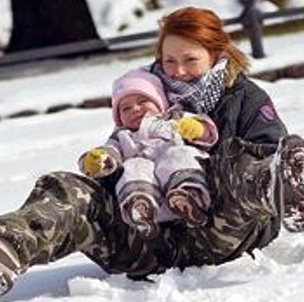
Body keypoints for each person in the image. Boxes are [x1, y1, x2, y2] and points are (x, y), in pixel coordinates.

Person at [0, 6, 304, 296]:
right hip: (146, 239)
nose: (177, 71)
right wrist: (105, 169)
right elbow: (126, 157)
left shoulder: (245, 98)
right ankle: (3, 249)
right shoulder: (141, 96)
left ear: (217, 55)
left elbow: (265, 149)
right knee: (72, 189)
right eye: (169, 60)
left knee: (227, 162)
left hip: (219, 232)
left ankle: (283, 187)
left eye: (190, 60)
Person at [79, 68, 219, 237]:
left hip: (189, 191)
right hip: (157, 206)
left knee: (177, 154)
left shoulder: (175, 118)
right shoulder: (122, 135)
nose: (135, 109)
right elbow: (110, 152)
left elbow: (209, 135)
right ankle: (139, 205)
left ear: (159, 101)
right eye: (125, 108)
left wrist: (197, 129)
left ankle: (190, 194)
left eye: (143, 101)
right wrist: (99, 160)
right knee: (133, 165)